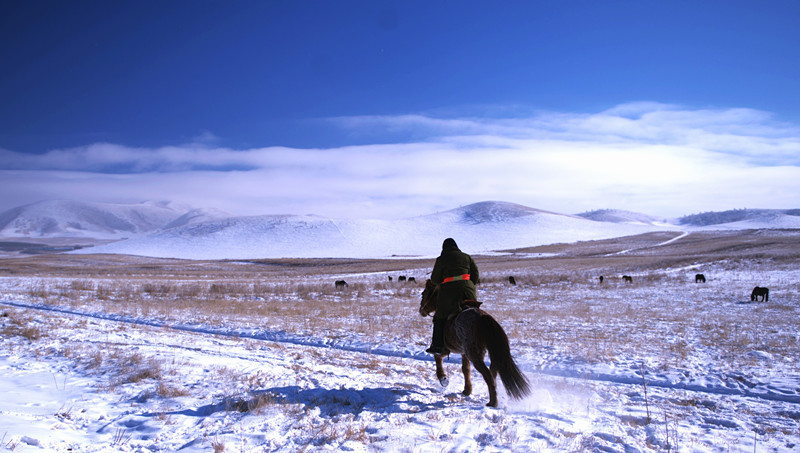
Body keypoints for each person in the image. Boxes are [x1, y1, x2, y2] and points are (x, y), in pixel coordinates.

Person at [426, 238, 479, 355]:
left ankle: (437, 346)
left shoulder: (441, 259)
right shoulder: (467, 257)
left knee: (439, 316)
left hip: (449, 291)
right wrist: (469, 284)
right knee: (475, 312)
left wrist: (444, 281)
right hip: (468, 290)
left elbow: (435, 279)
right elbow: (475, 274)